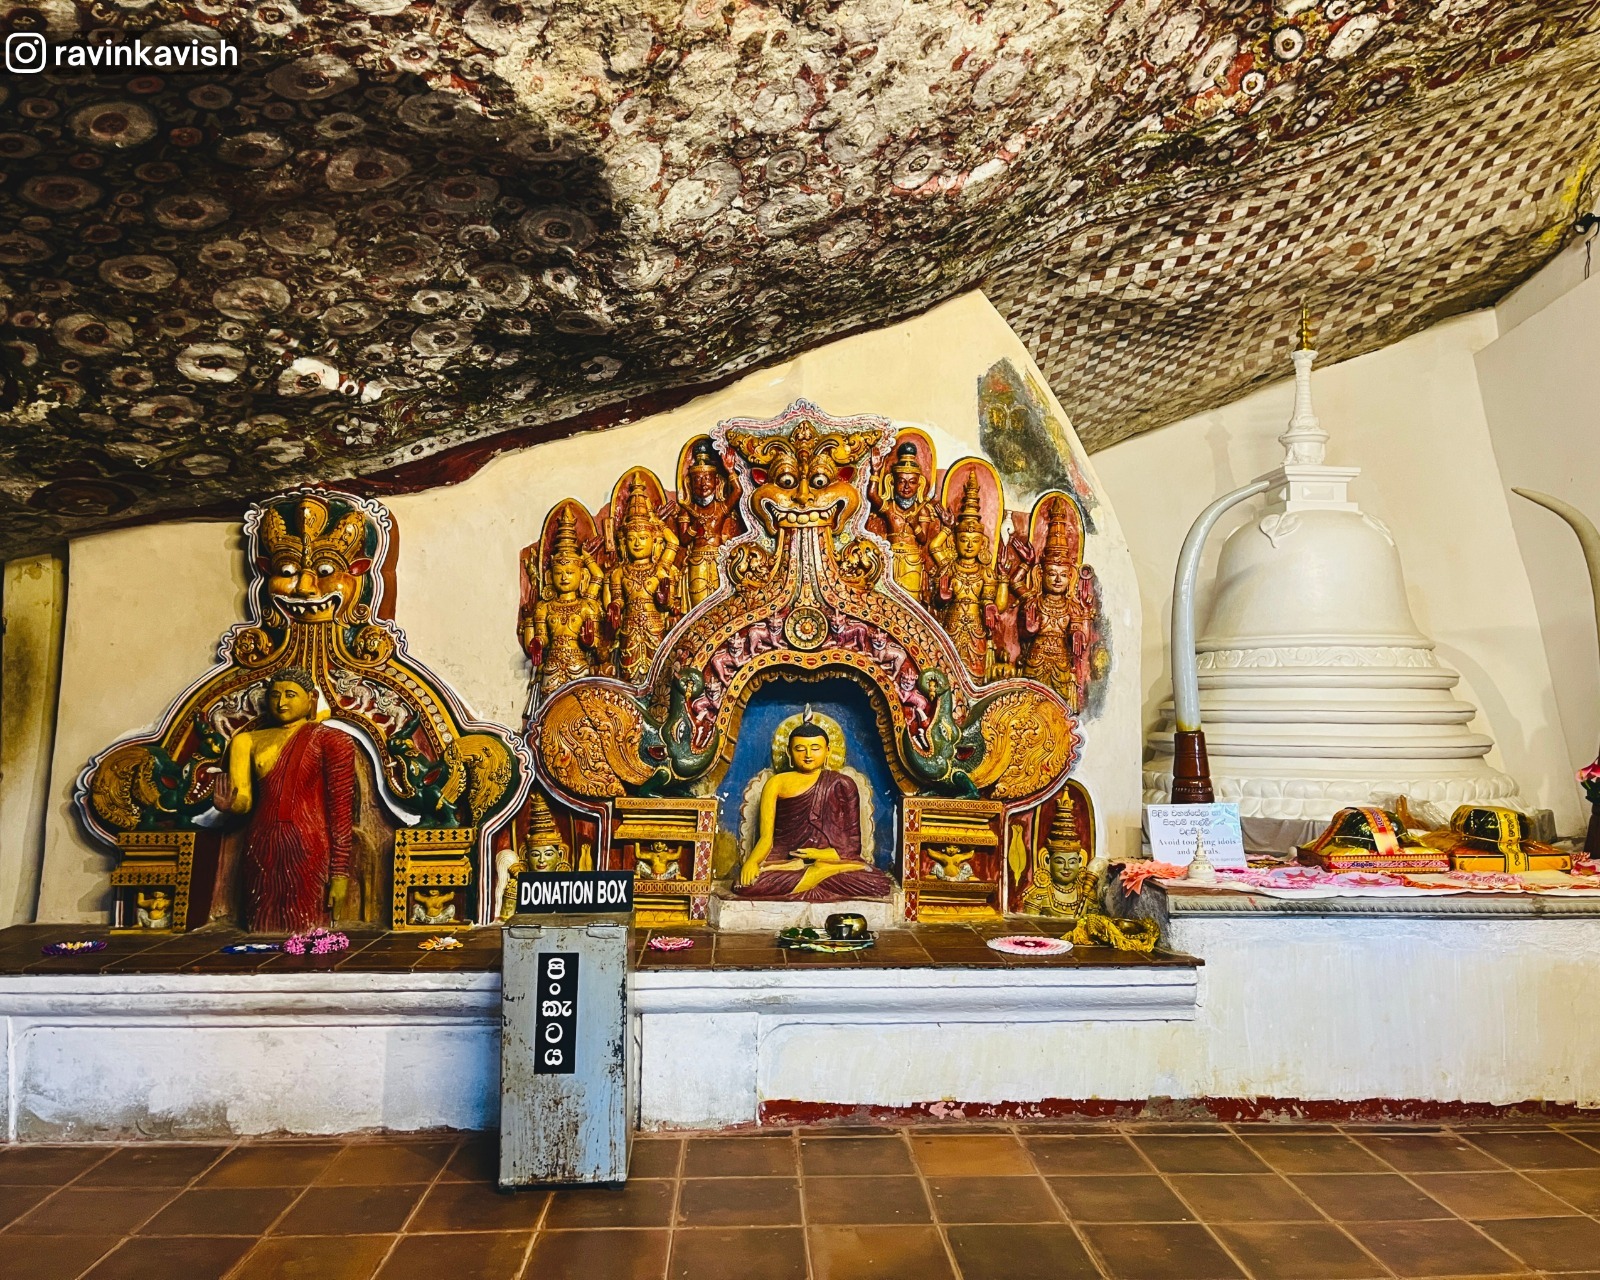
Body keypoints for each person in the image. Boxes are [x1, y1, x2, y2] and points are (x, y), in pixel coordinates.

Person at [216, 667, 356, 933]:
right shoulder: (247, 741)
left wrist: (339, 872)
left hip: (310, 844)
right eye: (274, 696)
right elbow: (244, 802)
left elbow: (340, 809)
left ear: (311, 699)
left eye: (291, 695)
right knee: (262, 924)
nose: (281, 703)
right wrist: (228, 804)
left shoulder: (331, 740)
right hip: (263, 841)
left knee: (308, 925)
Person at [735, 717, 892, 901]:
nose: (808, 754)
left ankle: (819, 872)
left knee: (877, 883)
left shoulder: (842, 784)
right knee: (744, 885)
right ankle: (816, 875)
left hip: (829, 859)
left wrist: (819, 855)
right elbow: (766, 838)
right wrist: (752, 862)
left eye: (815, 748)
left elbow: (851, 845)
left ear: (827, 751)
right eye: (800, 749)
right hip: (785, 862)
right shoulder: (776, 783)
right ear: (789, 752)